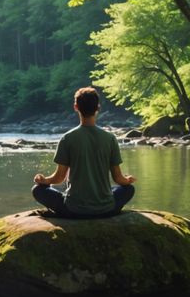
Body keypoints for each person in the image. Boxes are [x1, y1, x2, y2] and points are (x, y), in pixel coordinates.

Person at [32, 87, 136, 217]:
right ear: (98, 108)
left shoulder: (67, 138)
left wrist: (43, 181)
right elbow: (118, 178)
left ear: (76, 107)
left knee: (37, 190)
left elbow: (59, 178)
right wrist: (128, 180)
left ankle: (67, 213)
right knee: (129, 189)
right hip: (106, 209)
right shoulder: (110, 138)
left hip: (74, 209)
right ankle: (106, 209)